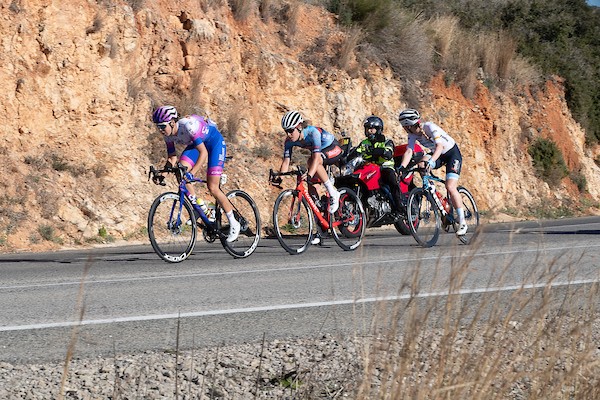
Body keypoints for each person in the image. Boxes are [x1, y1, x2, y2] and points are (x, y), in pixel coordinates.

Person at [151, 105, 240, 242]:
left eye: (162, 126)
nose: (161, 130)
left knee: (213, 187)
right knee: (180, 172)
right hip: (196, 145)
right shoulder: (168, 135)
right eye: (158, 127)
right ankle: (200, 207)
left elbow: (203, 153)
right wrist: (162, 174)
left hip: (214, 143)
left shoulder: (188, 126)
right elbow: (172, 158)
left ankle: (234, 223)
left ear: (172, 122)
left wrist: (192, 173)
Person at [396, 108, 468, 235]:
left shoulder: (429, 126)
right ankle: (435, 195)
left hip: (451, 154)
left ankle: (462, 222)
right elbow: (409, 151)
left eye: (405, 126)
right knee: (421, 164)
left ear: (409, 125)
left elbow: (439, 146)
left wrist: (432, 161)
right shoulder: (412, 135)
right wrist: (402, 167)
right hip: (437, 154)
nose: (404, 129)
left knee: (450, 186)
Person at [274, 110, 343, 213]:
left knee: (311, 162)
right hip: (320, 155)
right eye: (286, 131)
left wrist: (310, 174)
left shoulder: (312, 132)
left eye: (291, 130)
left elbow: (316, 158)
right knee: (311, 185)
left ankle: (333, 192)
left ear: (299, 127)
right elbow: (286, 162)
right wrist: (280, 177)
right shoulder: (288, 142)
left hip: (333, 148)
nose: (288, 134)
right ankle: (320, 217)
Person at [355, 115, 405, 218]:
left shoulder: (386, 141)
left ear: (378, 129)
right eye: (367, 128)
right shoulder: (364, 143)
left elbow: (389, 152)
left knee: (392, 180)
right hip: (370, 168)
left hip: (384, 167)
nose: (369, 131)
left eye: (371, 129)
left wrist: (382, 151)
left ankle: (400, 208)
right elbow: (356, 152)